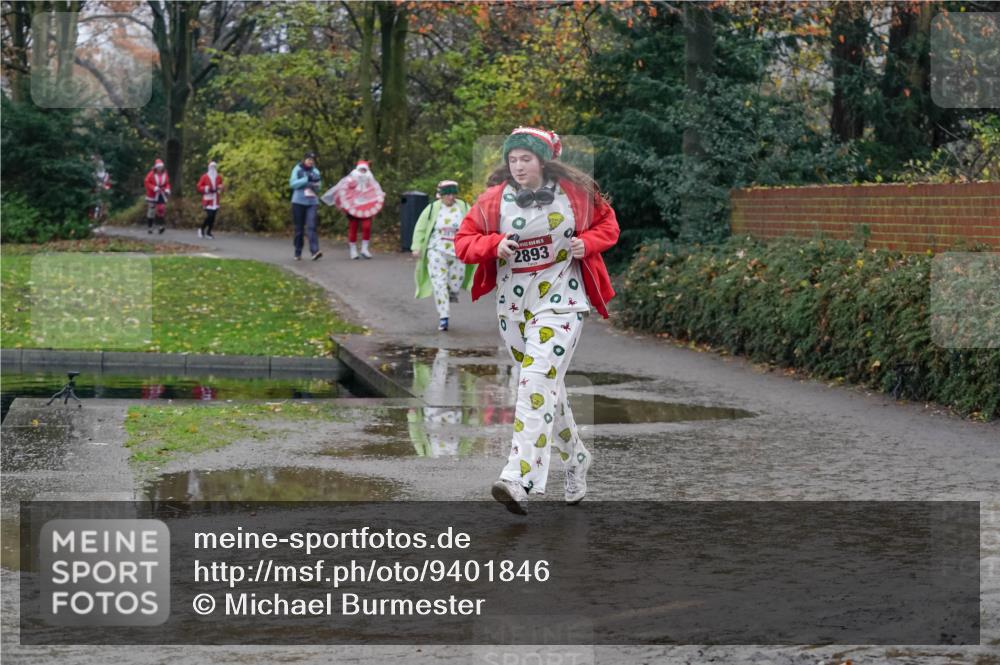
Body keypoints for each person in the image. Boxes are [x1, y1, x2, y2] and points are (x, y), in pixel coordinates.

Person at [454, 126, 619, 515]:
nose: (518, 166)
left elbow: (608, 226)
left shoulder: (576, 195)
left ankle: (519, 477)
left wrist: (588, 243)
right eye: (512, 160)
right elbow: (463, 242)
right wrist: (494, 244)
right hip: (513, 308)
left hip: (562, 300)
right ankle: (576, 457)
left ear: (543, 160)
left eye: (525, 159)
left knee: (531, 383)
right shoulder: (494, 201)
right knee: (546, 388)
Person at [410, 180, 475, 331]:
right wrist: (417, 247)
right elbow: (420, 228)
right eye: (448, 194)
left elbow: (475, 225)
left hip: (458, 252)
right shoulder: (432, 208)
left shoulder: (464, 207)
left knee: (455, 283)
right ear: (441, 195)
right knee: (439, 283)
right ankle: (443, 317)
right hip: (436, 250)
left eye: (454, 194)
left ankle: (452, 291)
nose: (451, 197)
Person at [324, 160, 385, 260]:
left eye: (364, 170)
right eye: (361, 169)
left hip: (366, 207)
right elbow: (342, 191)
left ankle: (365, 249)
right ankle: (353, 250)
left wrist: (379, 197)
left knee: (367, 226)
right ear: (357, 169)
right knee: (353, 227)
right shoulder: (349, 180)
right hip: (353, 208)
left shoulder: (371, 182)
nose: (362, 172)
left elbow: (376, 192)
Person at [289, 151, 323, 260]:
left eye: (312, 160)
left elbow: (319, 186)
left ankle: (315, 251)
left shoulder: (315, 171)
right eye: (309, 159)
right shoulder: (297, 169)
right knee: (299, 229)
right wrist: (306, 180)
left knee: (312, 226)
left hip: (312, 202)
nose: (310, 161)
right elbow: (293, 184)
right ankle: (297, 252)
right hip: (298, 202)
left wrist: (314, 185)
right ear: (304, 160)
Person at [196, 161, 223, 239]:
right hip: (207, 199)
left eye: (214, 167)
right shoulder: (204, 177)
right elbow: (199, 186)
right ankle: (201, 229)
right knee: (209, 215)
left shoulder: (218, 177)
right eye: (212, 167)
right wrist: (207, 188)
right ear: (209, 168)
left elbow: (221, 185)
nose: (213, 169)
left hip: (215, 199)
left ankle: (209, 232)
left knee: (213, 217)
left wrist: (220, 188)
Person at [144, 158, 171, 234]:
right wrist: (154, 187)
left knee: (161, 209)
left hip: (161, 194)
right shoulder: (151, 174)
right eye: (158, 167)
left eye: (161, 167)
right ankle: (150, 227)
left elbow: (167, 183)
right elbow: (146, 182)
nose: (160, 168)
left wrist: (167, 189)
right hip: (152, 194)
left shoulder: (165, 174)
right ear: (156, 167)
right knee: (151, 211)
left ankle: (161, 226)